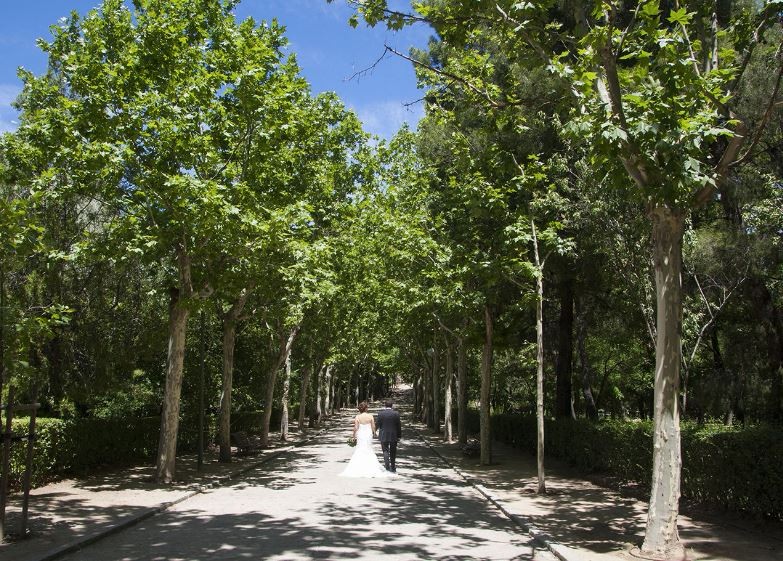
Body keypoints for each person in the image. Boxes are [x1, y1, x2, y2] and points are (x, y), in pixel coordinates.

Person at [339, 401, 387, 478]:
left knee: (360, 448)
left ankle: (359, 466)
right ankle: (370, 466)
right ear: (366, 409)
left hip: (361, 434)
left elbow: (356, 428)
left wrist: (353, 436)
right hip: (368, 434)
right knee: (368, 448)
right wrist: (374, 433)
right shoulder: (370, 416)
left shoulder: (358, 417)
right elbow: (373, 426)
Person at [375, 399, 402, 473]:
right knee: (393, 451)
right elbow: (398, 425)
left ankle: (387, 467)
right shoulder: (396, 413)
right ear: (392, 405)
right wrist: (399, 435)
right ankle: (393, 467)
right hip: (394, 435)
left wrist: (373, 431)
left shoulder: (381, 414)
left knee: (385, 451)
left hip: (383, 435)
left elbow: (377, 424)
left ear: (385, 405)